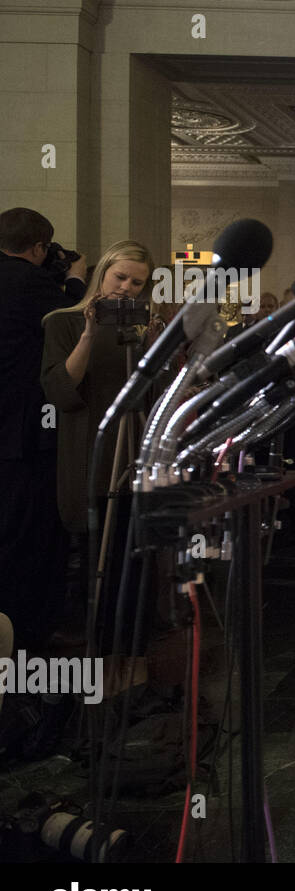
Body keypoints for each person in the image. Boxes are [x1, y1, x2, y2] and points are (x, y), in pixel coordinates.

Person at [40, 241, 155, 686]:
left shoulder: (144, 326)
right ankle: (103, 662)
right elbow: (60, 390)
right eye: (119, 277)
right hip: (91, 455)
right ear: (102, 274)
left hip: (137, 458)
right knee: (97, 565)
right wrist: (89, 333)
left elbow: (157, 393)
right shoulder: (62, 322)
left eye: (136, 283)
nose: (125, 288)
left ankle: (137, 657)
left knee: (139, 563)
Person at [0, 208, 87, 651]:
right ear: (37, 248)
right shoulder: (30, 282)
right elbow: (70, 316)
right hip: (23, 434)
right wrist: (74, 278)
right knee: (28, 534)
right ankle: (26, 628)